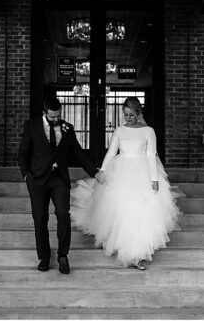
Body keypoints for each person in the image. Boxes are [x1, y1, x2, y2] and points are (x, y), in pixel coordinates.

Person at [70, 97, 182, 270]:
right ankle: (124, 247)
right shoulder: (120, 131)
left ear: (138, 113)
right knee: (122, 211)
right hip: (121, 172)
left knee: (139, 213)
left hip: (142, 173)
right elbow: (111, 152)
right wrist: (103, 170)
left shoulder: (148, 131)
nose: (127, 118)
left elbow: (151, 155)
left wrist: (154, 179)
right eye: (125, 115)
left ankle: (137, 255)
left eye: (131, 115)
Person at [18, 97, 100, 274]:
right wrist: (26, 175)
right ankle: (44, 257)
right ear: (44, 113)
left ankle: (63, 255)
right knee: (40, 219)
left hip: (59, 179)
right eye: (53, 116)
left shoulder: (67, 128)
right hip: (37, 180)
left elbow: (78, 153)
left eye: (58, 116)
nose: (56, 119)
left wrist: (95, 172)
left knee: (63, 214)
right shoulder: (31, 126)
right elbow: (23, 152)